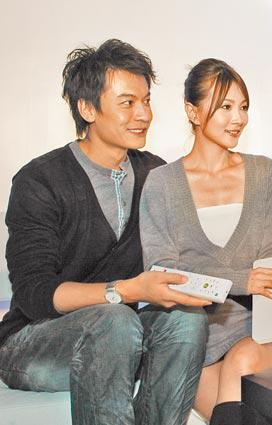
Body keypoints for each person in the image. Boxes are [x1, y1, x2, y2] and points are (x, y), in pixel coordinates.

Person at [0, 39, 211, 425]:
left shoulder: (155, 173)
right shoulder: (39, 180)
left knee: (187, 320)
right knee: (114, 320)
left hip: (120, 336)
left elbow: (183, 252)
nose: (143, 114)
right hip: (34, 342)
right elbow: (35, 294)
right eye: (127, 103)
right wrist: (126, 291)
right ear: (87, 108)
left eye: (146, 101)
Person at [139, 59, 272, 425]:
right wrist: (241, 279)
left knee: (241, 363)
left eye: (243, 107)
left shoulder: (262, 171)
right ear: (193, 112)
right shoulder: (161, 183)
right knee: (239, 412)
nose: (239, 119)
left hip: (255, 328)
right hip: (194, 333)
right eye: (226, 107)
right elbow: (164, 272)